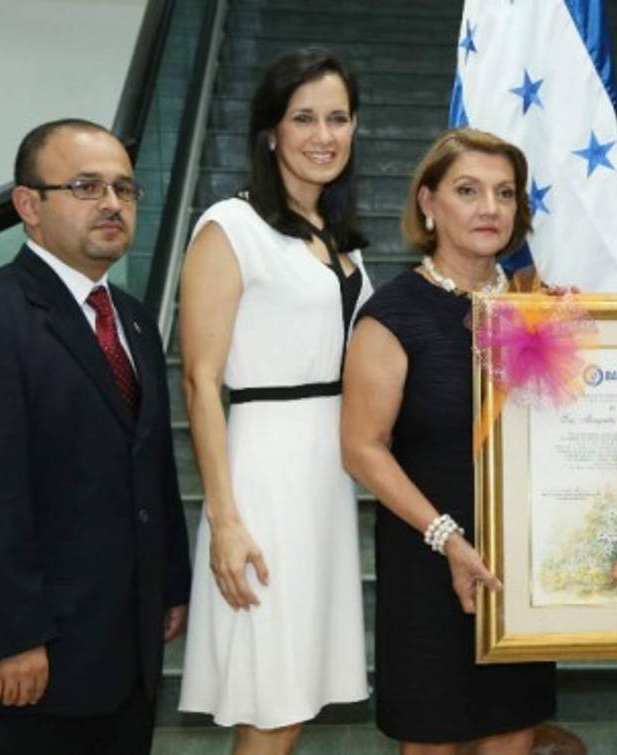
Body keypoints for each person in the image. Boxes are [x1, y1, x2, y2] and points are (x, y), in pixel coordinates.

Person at [0, 119, 191, 755]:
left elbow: (150, 467)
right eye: (86, 186)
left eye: (125, 190)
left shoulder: (131, 320)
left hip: (120, 663)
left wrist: (170, 586)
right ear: (28, 206)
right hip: (18, 672)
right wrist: (9, 636)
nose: (111, 204)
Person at [175, 48, 372, 753]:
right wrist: (224, 519)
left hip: (326, 478)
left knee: (294, 697)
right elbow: (199, 380)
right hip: (266, 476)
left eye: (339, 118)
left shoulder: (342, 244)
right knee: (273, 699)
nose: (324, 135)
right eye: (304, 118)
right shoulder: (230, 227)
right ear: (270, 131)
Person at [341, 128, 556, 754]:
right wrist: (448, 539)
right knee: (433, 735)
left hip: (518, 561)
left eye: (504, 193)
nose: (490, 207)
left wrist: (586, 336)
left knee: (514, 728)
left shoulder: (533, 308)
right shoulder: (394, 314)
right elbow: (361, 447)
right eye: (468, 190)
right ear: (428, 203)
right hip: (428, 559)